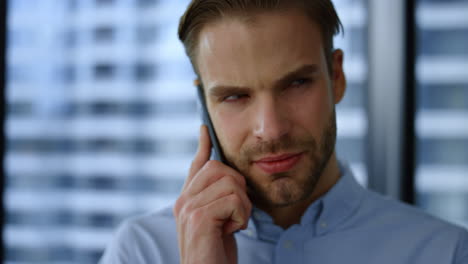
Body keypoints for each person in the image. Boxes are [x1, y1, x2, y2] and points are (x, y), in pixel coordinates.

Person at [99, 0, 468, 263]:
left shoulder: (447, 253)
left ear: (335, 77)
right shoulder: (141, 252)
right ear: (204, 103)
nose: (270, 129)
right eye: (234, 96)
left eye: (296, 84)